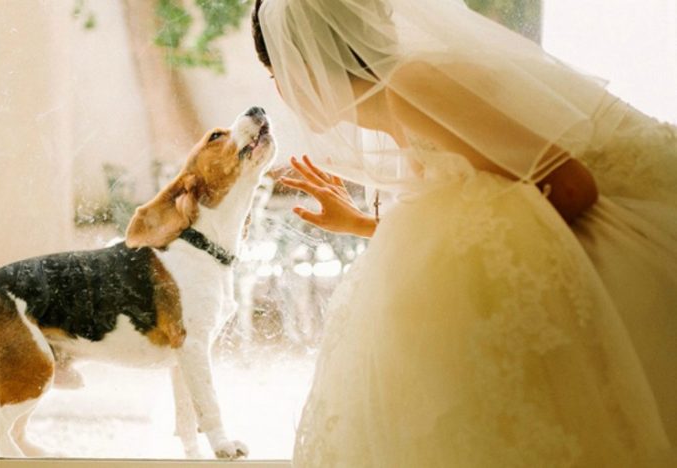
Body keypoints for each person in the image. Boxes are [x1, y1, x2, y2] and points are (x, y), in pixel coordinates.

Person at [252, 0, 677, 466]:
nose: (281, 90)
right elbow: (478, 216)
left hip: (620, 256)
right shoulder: (401, 96)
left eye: (277, 73)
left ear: (303, 63)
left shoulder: (414, 87)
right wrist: (359, 223)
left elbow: (572, 189)